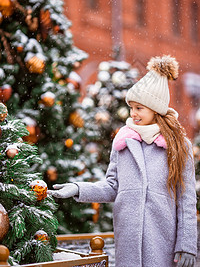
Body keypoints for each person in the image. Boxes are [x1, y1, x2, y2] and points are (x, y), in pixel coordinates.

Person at [48, 55, 197, 267]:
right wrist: (78, 189)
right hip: (128, 241)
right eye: (131, 107)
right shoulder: (124, 142)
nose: (133, 114)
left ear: (156, 109)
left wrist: (186, 245)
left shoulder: (179, 146)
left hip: (163, 242)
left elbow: (186, 199)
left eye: (139, 108)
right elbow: (112, 186)